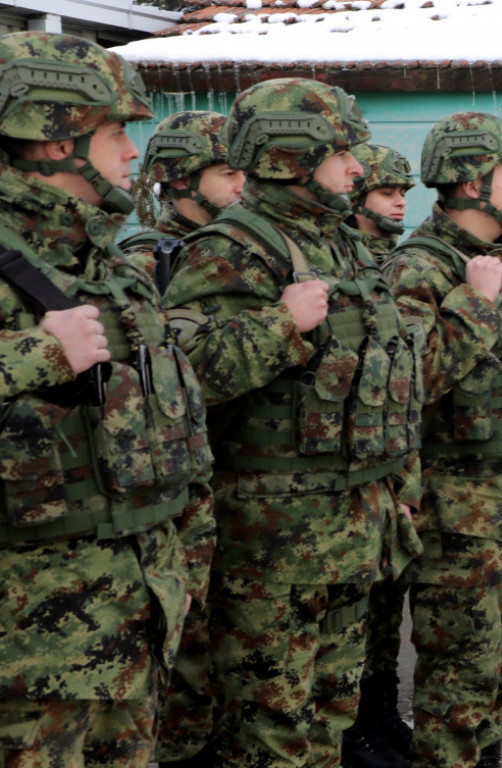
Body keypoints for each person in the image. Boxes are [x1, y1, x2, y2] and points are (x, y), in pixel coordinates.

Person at [164, 77, 424, 768]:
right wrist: (283, 325)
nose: (359, 168)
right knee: (268, 729)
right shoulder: (231, 247)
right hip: (273, 545)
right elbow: (183, 376)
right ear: (290, 155)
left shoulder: (342, 246)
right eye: (343, 152)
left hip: (351, 523)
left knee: (328, 718)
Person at [0, 31, 213, 767]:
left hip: (132, 615)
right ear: (55, 138)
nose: (132, 152)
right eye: (117, 130)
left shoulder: (111, 265)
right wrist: (35, 354)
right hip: (27, 651)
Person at [382, 111, 502, 768]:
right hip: (459, 515)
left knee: (495, 684)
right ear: (469, 182)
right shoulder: (418, 269)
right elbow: (402, 386)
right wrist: (475, 306)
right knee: (456, 688)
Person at [120, 110, 244, 290]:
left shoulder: (244, 246)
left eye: (246, 174)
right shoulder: (147, 267)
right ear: (182, 179)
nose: (243, 187)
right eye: (229, 174)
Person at [349, 142, 413, 262]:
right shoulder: (340, 256)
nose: (401, 203)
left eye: (402, 194)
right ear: (354, 199)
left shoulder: (400, 256)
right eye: (388, 193)